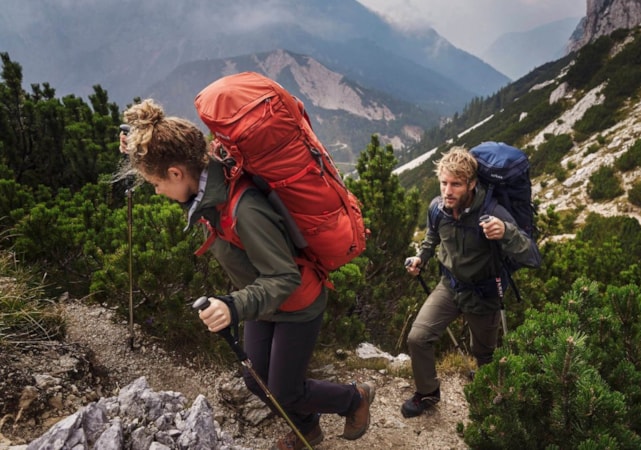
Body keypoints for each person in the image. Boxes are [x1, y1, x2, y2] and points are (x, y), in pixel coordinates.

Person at [118, 99, 375, 449]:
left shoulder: (244, 209)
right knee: (256, 381)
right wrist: (143, 147)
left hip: (297, 303)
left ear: (177, 173)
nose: (156, 189)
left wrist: (233, 306)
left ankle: (354, 398)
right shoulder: (206, 183)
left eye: (154, 181)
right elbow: (178, 168)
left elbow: (285, 277)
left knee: (286, 389)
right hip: (263, 302)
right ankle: (308, 429)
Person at [402, 146, 533, 418]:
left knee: (483, 353)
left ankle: (490, 400)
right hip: (450, 286)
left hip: (484, 293)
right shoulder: (438, 209)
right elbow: (432, 237)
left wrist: (506, 231)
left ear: (472, 184)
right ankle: (427, 393)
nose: (447, 191)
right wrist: (421, 258)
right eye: (444, 183)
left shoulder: (493, 213)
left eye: (456, 184)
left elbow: (532, 255)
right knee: (418, 338)